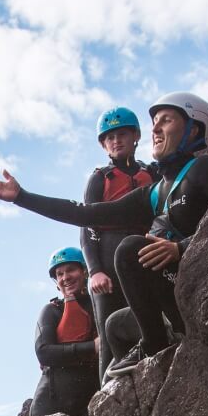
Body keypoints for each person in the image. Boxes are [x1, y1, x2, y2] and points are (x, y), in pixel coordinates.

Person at [0, 92, 208, 377]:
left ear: (194, 128)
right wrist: (21, 197)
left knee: (130, 248)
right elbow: (85, 214)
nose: (155, 129)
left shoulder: (205, 170)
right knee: (113, 326)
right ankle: (155, 347)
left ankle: (156, 343)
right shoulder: (155, 191)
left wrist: (181, 248)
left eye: (166, 121)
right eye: (154, 122)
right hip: (173, 292)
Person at [82, 107, 157, 380]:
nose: (116, 141)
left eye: (122, 134)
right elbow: (87, 225)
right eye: (110, 137)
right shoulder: (100, 178)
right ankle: (106, 397)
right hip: (107, 259)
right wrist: (94, 271)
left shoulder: (152, 173)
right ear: (103, 144)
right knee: (107, 333)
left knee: (144, 318)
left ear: (136, 136)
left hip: (141, 253)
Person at [31, 247, 100, 416]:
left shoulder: (101, 304)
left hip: (90, 401)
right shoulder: (52, 311)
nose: (65, 277)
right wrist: (93, 346)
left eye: (71, 270)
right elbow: (44, 352)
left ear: (84, 271)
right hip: (50, 408)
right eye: (59, 274)